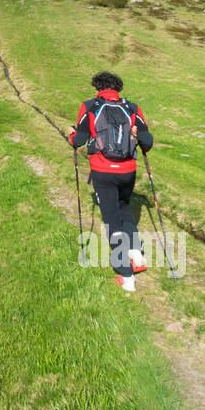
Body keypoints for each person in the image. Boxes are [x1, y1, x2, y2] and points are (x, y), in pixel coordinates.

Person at [68, 71, 154, 292]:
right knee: (124, 206)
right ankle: (136, 254)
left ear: (98, 88)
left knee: (111, 220)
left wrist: (70, 134)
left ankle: (126, 277)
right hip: (128, 170)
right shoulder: (132, 108)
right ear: (118, 89)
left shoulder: (89, 106)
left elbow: (78, 140)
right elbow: (147, 141)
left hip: (102, 171)